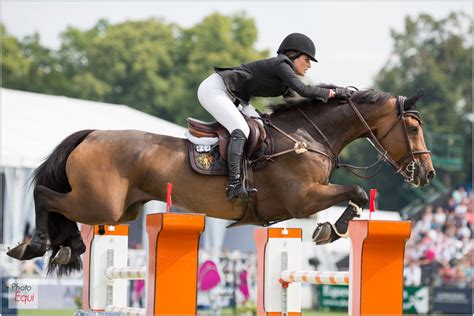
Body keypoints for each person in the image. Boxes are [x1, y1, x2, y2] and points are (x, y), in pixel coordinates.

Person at [197, 33, 353, 202]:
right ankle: (234, 184)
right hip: (215, 89)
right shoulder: (282, 64)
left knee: (261, 126)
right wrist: (335, 92)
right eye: (307, 59)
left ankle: (252, 173)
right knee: (240, 129)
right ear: (292, 54)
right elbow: (304, 90)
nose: (309, 65)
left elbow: (297, 106)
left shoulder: (285, 76)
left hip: (234, 97)